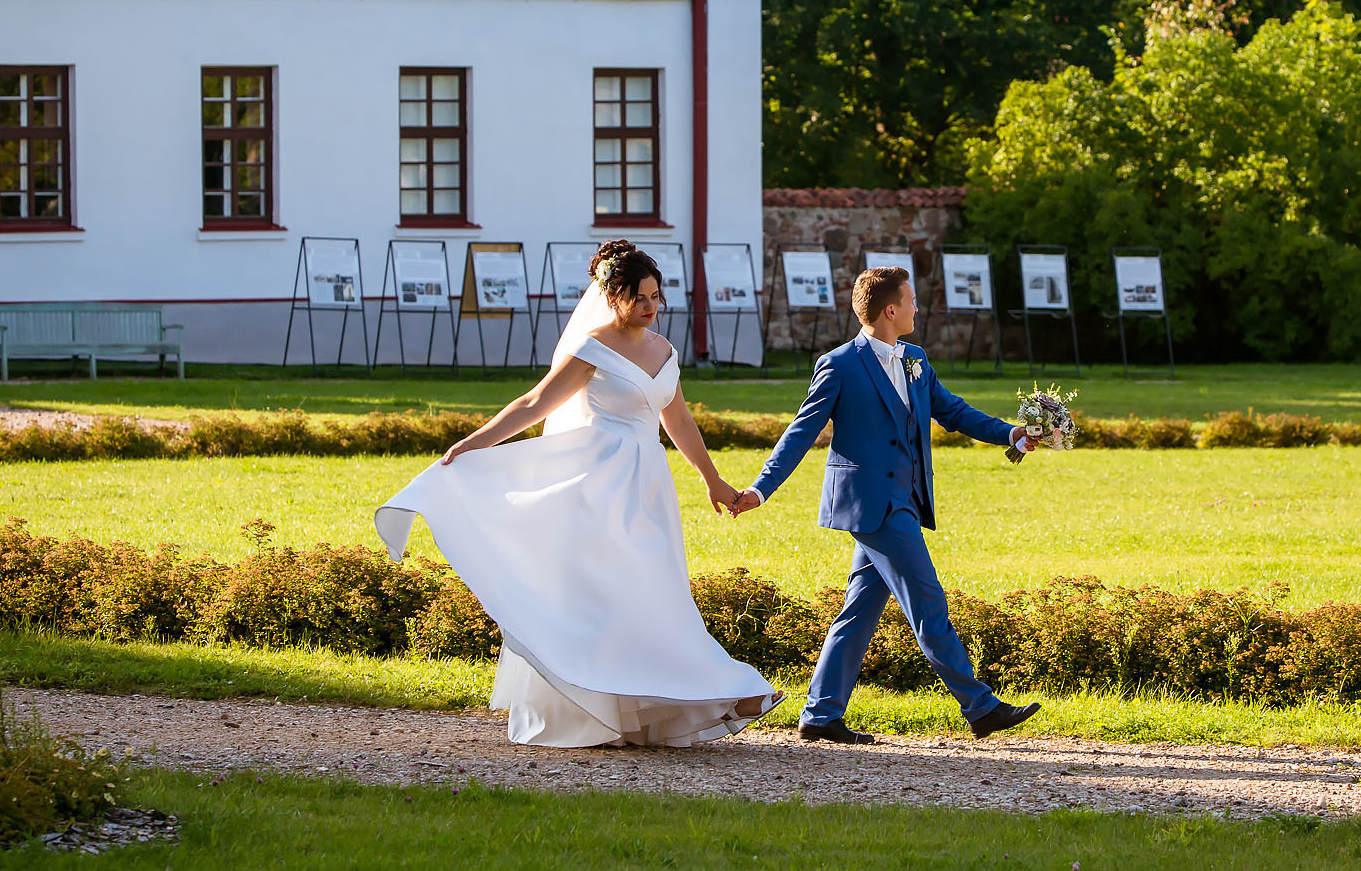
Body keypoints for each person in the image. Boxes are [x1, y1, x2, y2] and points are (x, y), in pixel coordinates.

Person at [373, 240, 781, 747]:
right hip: (597, 486)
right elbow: (535, 403)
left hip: (648, 487)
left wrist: (711, 478)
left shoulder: (664, 351)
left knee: (659, 592)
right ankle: (668, 697)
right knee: (606, 596)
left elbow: (677, 419)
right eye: (638, 298)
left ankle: (677, 699)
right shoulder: (592, 348)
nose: (650, 307)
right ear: (612, 297)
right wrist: (475, 442)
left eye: (655, 296)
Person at [732, 266, 1042, 744]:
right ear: (890, 310)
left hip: (906, 500)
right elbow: (802, 431)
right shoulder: (839, 364)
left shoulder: (915, 358)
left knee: (858, 611)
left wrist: (1010, 433)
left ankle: (820, 715)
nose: (919, 307)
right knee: (928, 602)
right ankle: (980, 707)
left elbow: (953, 411)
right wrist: (760, 489)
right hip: (871, 503)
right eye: (912, 300)